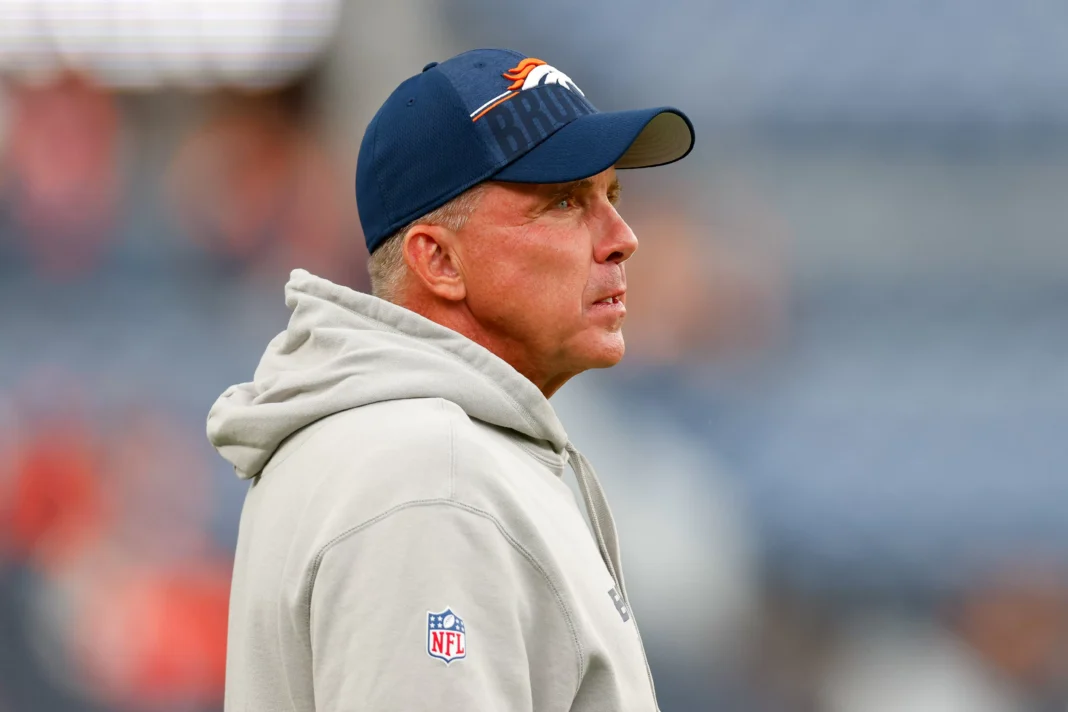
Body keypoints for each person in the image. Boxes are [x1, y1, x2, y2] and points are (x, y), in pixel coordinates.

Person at [207, 48, 694, 711]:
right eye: (565, 201)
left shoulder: (400, 446)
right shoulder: (432, 476)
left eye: (612, 196)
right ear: (438, 260)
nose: (623, 237)